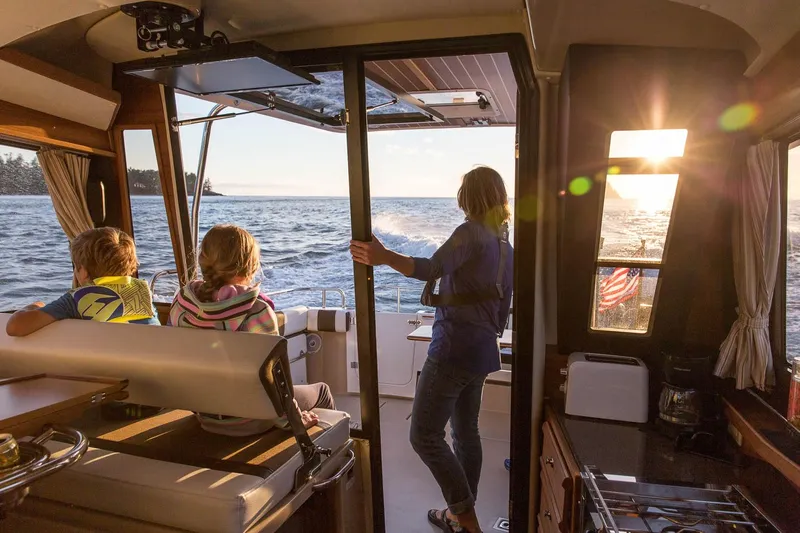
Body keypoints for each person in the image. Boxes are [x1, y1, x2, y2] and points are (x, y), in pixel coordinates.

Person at [350, 166, 513, 533]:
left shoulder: (469, 232)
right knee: (466, 432)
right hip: (484, 351)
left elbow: (430, 268)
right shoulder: (505, 246)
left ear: (468, 198)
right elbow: (504, 308)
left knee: (423, 435)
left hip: (453, 350)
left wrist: (384, 256)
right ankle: (459, 515)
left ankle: (466, 519)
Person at [168, 224, 335, 436]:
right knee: (322, 391)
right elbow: (275, 380)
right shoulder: (256, 311)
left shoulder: (182, 304)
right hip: (251, 421)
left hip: (205, 415)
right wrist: (292, 420)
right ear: (250, 264)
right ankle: (326, 459)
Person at [5, 226, 159, 336]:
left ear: (83, 271)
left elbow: (15, 327)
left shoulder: (77, 299)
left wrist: (36, 305)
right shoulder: (144, 294)